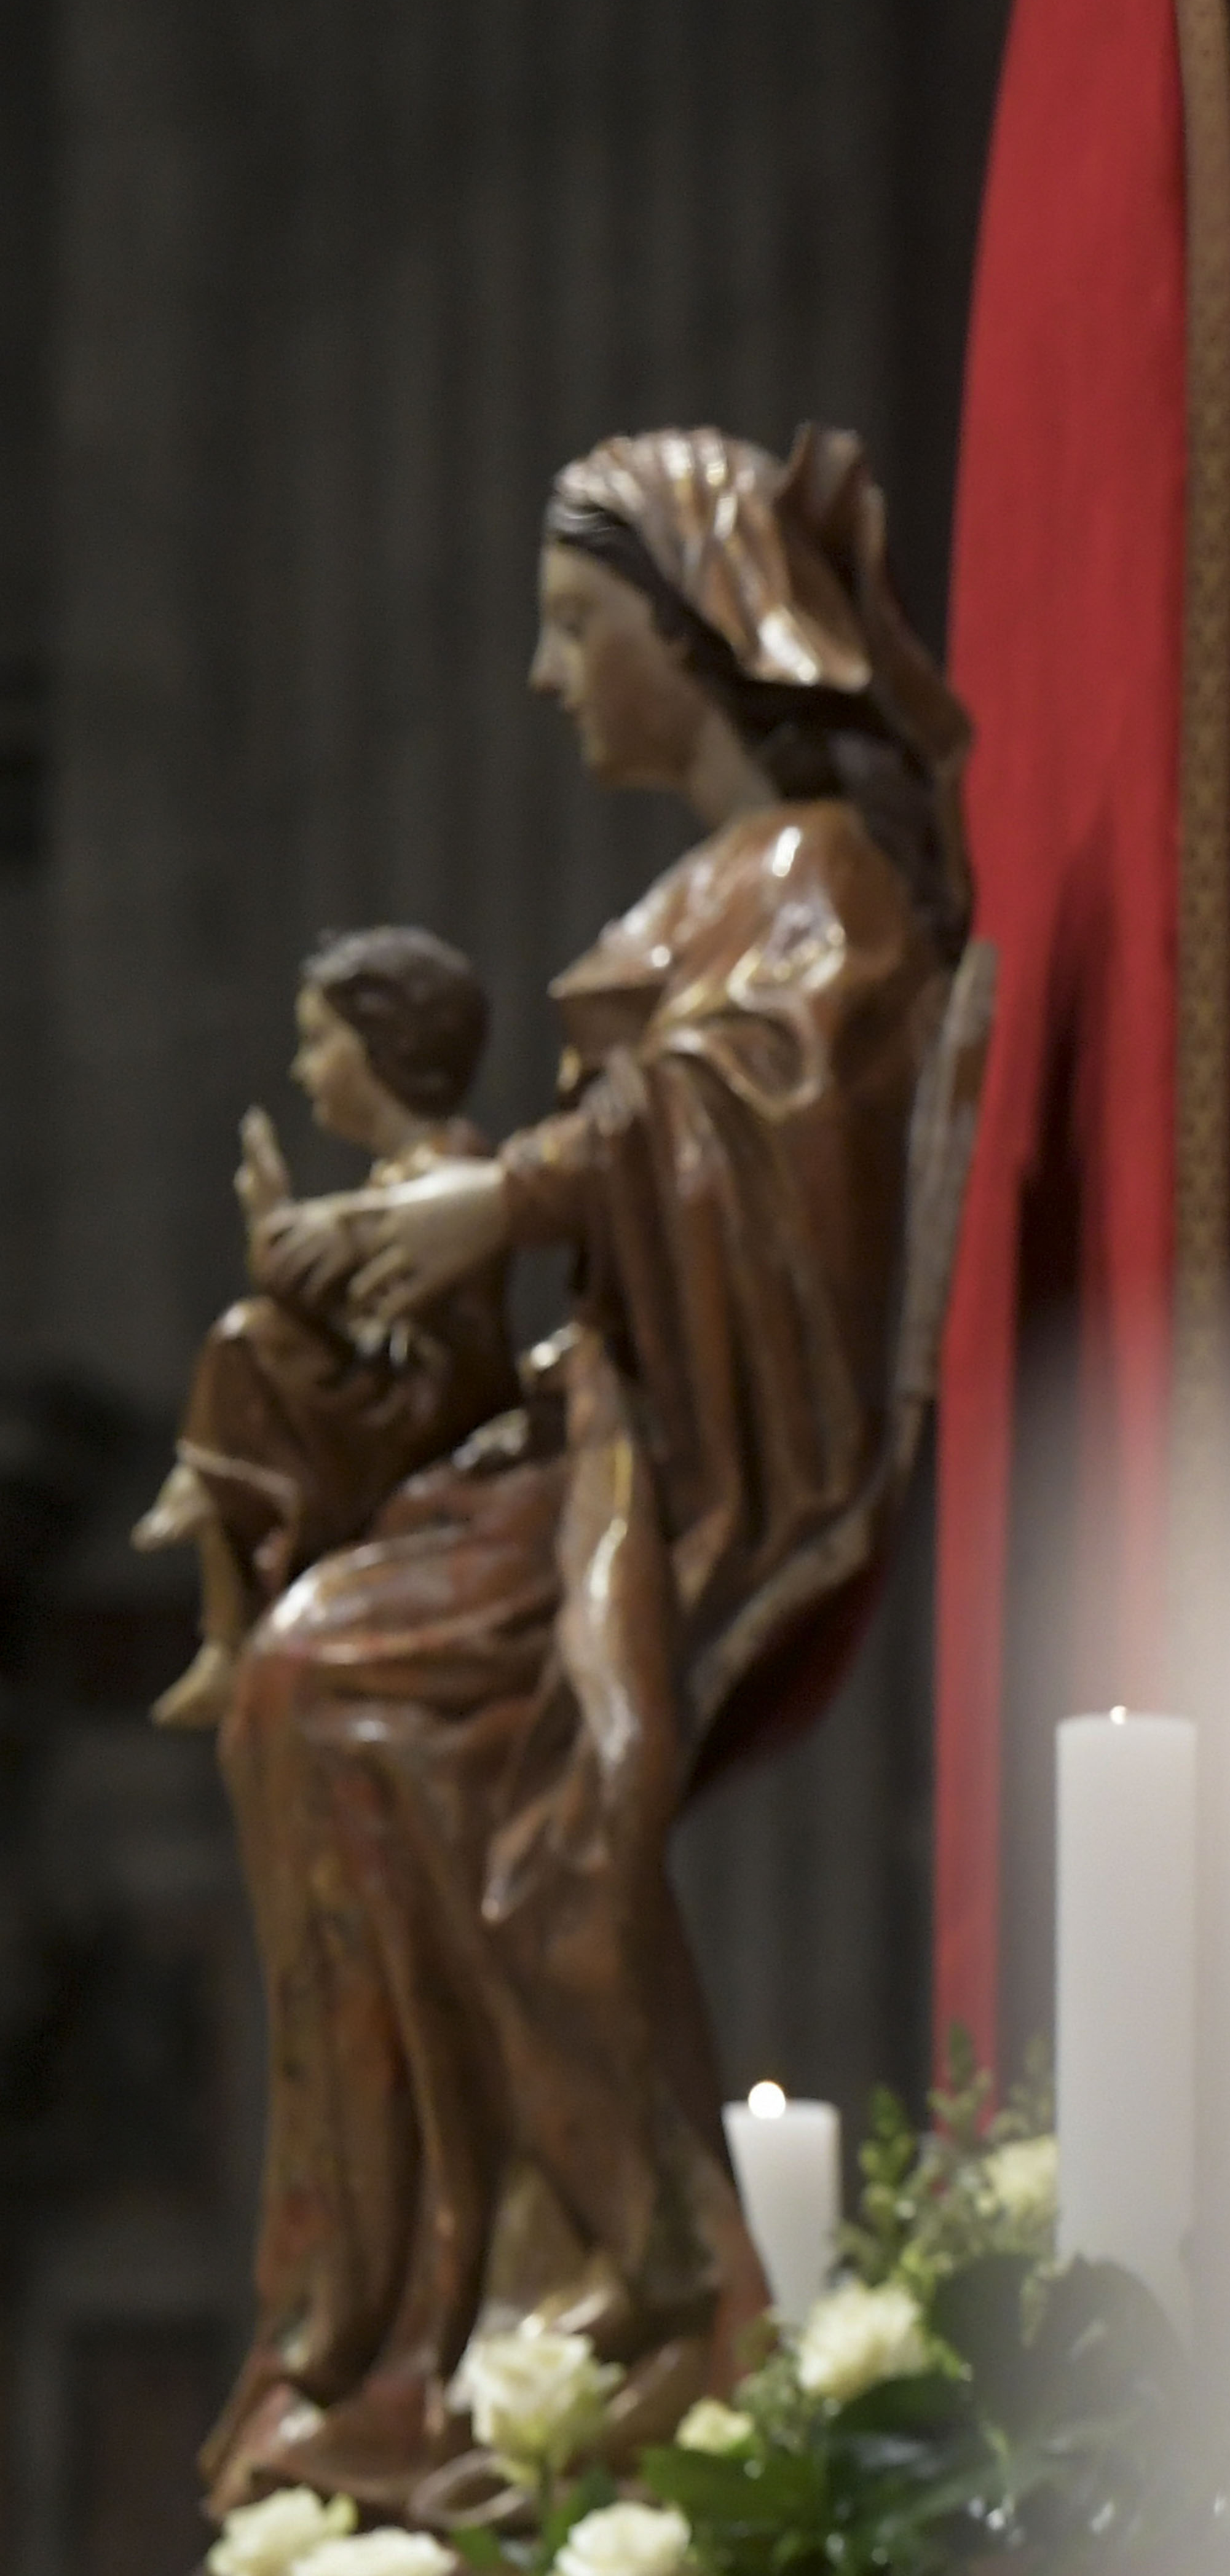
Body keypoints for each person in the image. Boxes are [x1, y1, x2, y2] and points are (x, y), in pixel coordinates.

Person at [199, 426, 970, 2526]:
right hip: (604, 1412)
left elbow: (763, 1123)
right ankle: (399, 2312)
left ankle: (608, 2289)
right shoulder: (713, 893)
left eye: (573, 626)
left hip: (690, 1446)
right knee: (304, 1684)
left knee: (379, 1708)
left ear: (694, 630)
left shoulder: (820, 878)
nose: (545, 676)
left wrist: (514, 1198)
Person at [135, 927, 519, 1730]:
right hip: (399, 1388)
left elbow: (342, 1269)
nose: (301, 1068)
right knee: (251, 1347)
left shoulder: (448, 1173)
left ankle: (223, 1602)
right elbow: (336, 1287)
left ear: (386, 1045)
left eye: (318, 1041)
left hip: (432, 1410)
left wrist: (275, 1230)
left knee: (247, 1343)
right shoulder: (406, 1173)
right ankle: (222, 1587)